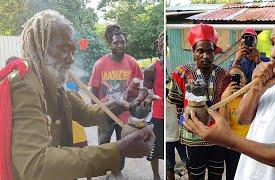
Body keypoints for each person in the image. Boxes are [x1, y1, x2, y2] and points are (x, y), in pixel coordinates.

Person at [0, 10, 155, 180]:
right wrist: (118, 150)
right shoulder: (24, 85)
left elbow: (87, 114)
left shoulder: (54, 83)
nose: (71, 58)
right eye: (64, 49)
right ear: (40, 48)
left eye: (72, 50)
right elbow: (36, 165)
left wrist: (122, 102)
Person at [184, 11, 275, 180]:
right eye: (273, 43)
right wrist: (257, 89)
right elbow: (243, 118)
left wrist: (229, 140)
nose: (274, 53)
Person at [167, 23, 229, 180]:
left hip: (217, 138)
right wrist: (185, 123)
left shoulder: (224, 75)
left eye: (210, 51)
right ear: (193, 52)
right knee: (195, 175)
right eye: (201, 51)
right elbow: (177, 105)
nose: (206, 56)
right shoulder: (180, 73)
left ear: (214, 52)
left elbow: (227, 106)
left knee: (216, 175)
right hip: (192, 139)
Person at [89, 24, 143, 171]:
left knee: (122, 145)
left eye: (122, 42)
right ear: (110, 44)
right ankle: (104, 169)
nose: (120, 45)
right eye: (116, 43)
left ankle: (117, 170)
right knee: (104, 144)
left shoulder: (132, 62)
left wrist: (136, 108)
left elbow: (140, 88)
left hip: (124, 115)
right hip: (105, 114)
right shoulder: (100, 64)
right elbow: (93, 90)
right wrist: (95, 112)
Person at [219, 66, 250, 180]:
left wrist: (248, 92)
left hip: (250, 146)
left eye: (239, 77)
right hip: (233, 148)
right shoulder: (226, 99)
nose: (236, 80)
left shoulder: (251, 96)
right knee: (233, 175)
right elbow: (223, 123)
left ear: (245, 79)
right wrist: (224, 99)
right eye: (232, 78)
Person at [141, 32, 164, 180]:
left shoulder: (174, 68)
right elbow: (147, 96)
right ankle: (156, 176)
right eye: (160, 45)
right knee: (154, 150)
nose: (163, 47)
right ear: (158, 48)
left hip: (172, 115)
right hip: (156, 117)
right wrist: (148, 100)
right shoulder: (151, 70)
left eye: (164, 44)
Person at [166, 82, 188, 180]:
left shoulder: (178, 102)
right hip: (167, 140)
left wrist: (182, 123)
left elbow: (183, 114)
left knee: (188, 163)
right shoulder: (160, 103)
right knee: (169, 167)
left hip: (180, 137)